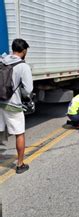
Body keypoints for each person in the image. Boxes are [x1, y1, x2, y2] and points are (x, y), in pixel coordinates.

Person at [0, 38, 33, 174]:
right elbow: (28, 89)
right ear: (24, 51)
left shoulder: (2, 60)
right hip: (13, 105)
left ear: (13, 49)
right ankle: (20, 164)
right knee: (19, 133)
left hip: (0, 102)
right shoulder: (23, 66)